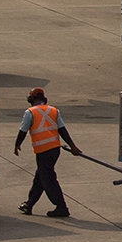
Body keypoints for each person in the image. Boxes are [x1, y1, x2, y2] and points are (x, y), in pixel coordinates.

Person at [15, 87, 79, 217]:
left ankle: (61, 207)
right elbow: (62, 130)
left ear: (31, 99)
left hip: (43, 151)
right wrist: (73, 146)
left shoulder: (30, 112)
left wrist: (17, 145)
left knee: (48, 180)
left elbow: (23, 130)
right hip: (54, 150)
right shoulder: (54, 110)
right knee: (40, 177)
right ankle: (29, 204)